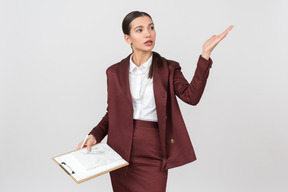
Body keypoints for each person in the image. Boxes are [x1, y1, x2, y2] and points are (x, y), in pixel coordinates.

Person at [77, 11, 233, 192]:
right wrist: (94, 135)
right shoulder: (114, 72)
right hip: (120, 151)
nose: (148, 34)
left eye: (151, 27)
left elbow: (192, 97)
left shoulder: (168, 68)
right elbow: (112, 113)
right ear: (128, 39)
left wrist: (205, 55)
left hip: (154, 150)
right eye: (140, 30)